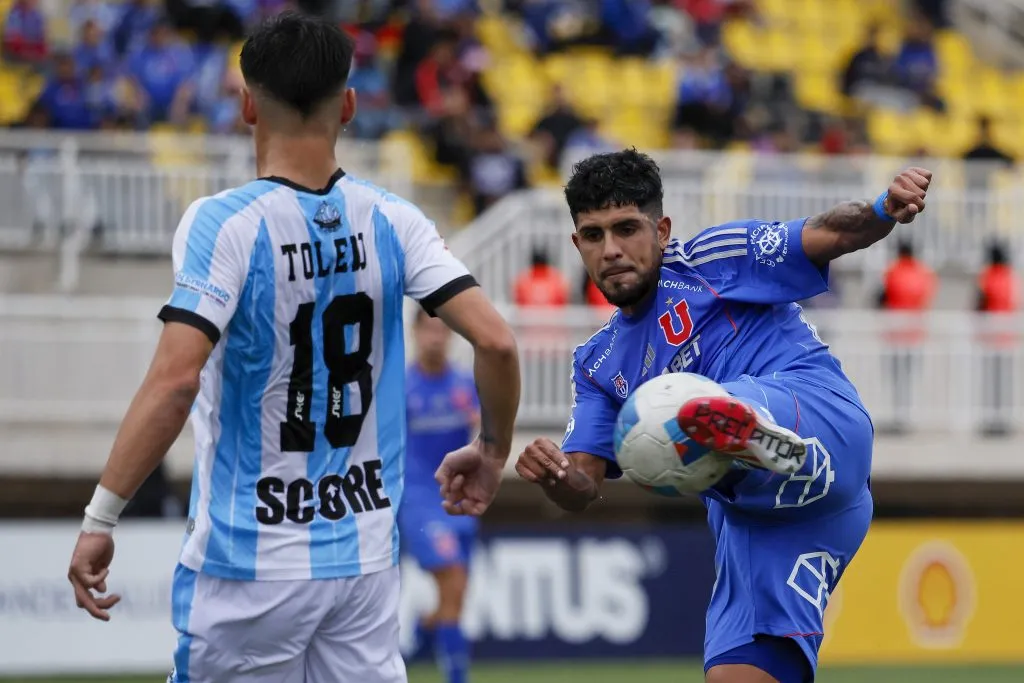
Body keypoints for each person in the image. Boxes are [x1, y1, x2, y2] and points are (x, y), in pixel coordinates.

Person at [66, 12, 521, 683]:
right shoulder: (394, 219)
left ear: (248, 104)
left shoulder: (223, 224)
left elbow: (174, 381)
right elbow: (497, 341)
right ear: (349, 103)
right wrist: (491, 449)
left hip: (250, 556)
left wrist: (101, 515)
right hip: (363, 557)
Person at [509, 149, 931, 683]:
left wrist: (883, 207)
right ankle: (738, 442)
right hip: (762, 520)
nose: (610, 250)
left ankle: (743, 428)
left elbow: (831, 232)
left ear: (662, 230)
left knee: (682, 404)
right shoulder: (596, 365)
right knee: (735, 674)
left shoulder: (711, 259)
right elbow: (582, 483)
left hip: (819, 416)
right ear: (577, 245)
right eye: (593, 235)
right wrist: (554, 476)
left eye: (626, 229)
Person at [401, 309, 479, 683]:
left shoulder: (465, 385)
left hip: (460, 502)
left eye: (441, 330)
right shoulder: (401, 387)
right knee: (452, 581)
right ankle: (457, 677)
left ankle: (420, 635)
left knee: (455, 597)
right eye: (428, 329)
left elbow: (485, 436)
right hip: (418, 498)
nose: (435, 337)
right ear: (415, 332)